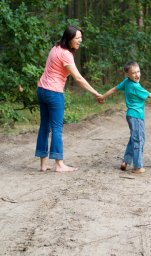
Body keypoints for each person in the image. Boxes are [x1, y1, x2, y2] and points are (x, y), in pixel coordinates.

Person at [35, 24, 102, 173]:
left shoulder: (55, 48)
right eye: (77, 38)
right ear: (69, 38)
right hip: (54, 93)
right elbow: (78, 78)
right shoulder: (66, 54)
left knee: (45, 126)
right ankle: (59, 164)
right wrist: (95, 92)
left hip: (42, 90)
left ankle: (43, 164)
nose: (80, 41)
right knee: (57, 128)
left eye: (81, 38)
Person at [101, 61, 151, 174]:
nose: (137, 75)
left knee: (133, 138)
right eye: (133, 73)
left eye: (138, 71)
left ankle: (126, 161)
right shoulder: (136, 86)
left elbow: (114, 89)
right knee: (139, 139)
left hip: (130, 115)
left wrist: (103, 97)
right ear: (127, 74)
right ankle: (138, 166)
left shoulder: (127, 82)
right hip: (137, 116)